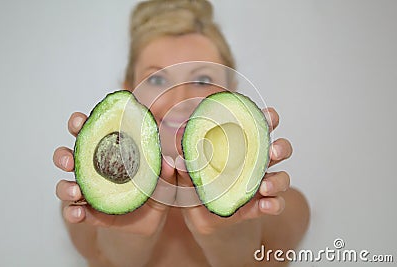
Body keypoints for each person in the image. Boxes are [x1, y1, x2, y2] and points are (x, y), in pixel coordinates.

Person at [53, 0, 310, 266]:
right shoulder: (82, 207)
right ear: (129, 91)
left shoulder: (284, 208)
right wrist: (127, 236)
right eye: (157, 80)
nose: (180, 98)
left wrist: (228, 236)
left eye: (202, 80)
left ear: (232, 92)